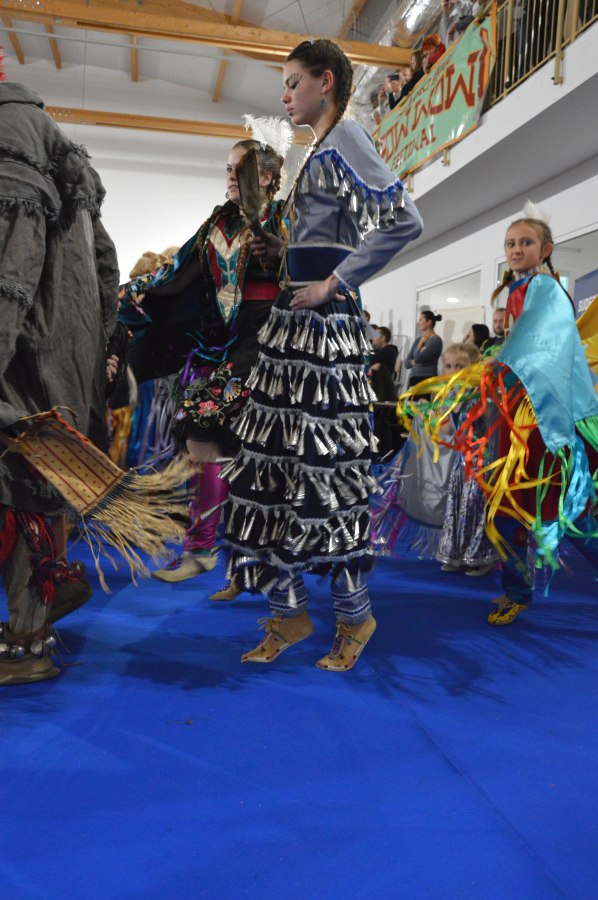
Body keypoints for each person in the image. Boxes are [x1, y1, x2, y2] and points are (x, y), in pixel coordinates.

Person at [221, 38, 423, 671]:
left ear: (325, 81)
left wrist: (336, 283)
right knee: (274, 470)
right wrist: (280, 252)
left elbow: (406, 220)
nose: (285, 96)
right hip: (292, 328)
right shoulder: (316, 151)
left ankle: (355, 618)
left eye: (293, 82)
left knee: (324, 474)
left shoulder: (349, 138)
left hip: (323, 333)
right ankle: (289, 612)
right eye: (284, 84)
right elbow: (323, 235)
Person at [119, 134, 287, 591]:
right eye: (228, 168)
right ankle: (210, 551)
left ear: (267, 178)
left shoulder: (284, 217)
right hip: (226, 342)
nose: (231, 176)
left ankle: (235, 555)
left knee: (219, 431)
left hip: (271, 341)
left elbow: (316, 270)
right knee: (208, 438)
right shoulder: (218, 221)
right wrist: (132, 290)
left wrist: (283, 253)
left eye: (241, 169)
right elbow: (178, 274)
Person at [0, 72, 120, 684]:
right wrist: (93, 356)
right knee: (38, 489)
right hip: (62, 357)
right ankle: (32, 625)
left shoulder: (11, 144)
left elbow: (11, 280)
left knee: (23, 490)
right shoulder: (60, 149)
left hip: (25, 359)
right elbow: (106, 270)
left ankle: (27, 641)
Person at [425, 203, 598, 625]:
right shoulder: (521, 290)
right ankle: (517, 591)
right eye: (510, 243)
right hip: (518, 421)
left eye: (526, 242)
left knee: (564, 511)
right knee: (506, 513)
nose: (516, 249)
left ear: (546, 249)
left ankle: (519, 590)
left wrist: (490, 370)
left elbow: (540, 353)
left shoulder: (545, 289)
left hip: (547, 424)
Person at [435, 343, 499, 576]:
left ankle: (480, 555)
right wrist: (430, 417)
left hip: (482, 461)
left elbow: (494, 427)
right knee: (457, 505)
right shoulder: (450, 395)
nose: (453, 371)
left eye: (460, 366)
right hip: (461, 461)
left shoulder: (483, 393)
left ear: (473, 367)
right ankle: (456, 553)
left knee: (475, 506)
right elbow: (446, 430)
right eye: (449, 366)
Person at [405, 311, 443, 388]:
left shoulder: (435, 340)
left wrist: (419, 346)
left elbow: (417, 358)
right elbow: (407, 364)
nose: (418, 322)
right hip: (414, 378)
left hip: (427, 378)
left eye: (421, 320)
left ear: (429, 322)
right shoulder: (418, 339)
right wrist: (420, 347)